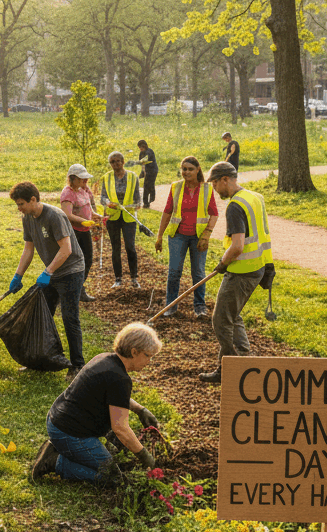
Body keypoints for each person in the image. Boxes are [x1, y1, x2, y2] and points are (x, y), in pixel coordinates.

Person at [31, 323, 161, 485]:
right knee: (112, 478)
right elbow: (120, 428)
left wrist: (139, 409)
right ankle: (54, 461)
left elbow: (114, 396)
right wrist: (144, 455)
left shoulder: (106, 359)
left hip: (57, 421)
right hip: (69, 433)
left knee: (111, 462)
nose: (150, 361)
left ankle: (60, 448)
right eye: (148, 355)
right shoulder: (119, 378)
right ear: (134, 352)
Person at [199, 162, 272, 383]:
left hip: (242, 271)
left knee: (221, 320)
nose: (214, 189)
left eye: (214, 183)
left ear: (225, 180)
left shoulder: (234, 206)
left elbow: (238, 246)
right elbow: (264, 233)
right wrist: (268, 266)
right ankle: (241, 358)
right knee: (233, 314)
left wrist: (222, 263)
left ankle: (235, 369)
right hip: (258, 267)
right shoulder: (255, 197)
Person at [9, 181, 87, 380]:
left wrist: (48, 271)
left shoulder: (54, 216)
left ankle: (77, 365)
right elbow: (28, 249)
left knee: (70, 318)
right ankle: (39, 360)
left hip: (71, 271)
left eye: (21, 204)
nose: (19, 208)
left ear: (33, 199)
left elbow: (66, 249)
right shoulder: (27, 218)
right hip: (52, 272)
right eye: (17, 204)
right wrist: (18, 275)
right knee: (42, 315)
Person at [154, 156, 219, 318]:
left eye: (190, 169)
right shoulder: (176, 187)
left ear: (198, 170)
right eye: (184, 169)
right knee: (174, 272)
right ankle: (171, 305)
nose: (186, 172)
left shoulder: (206, 188)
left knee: (198, 273)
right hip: (178, 236)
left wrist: (207, 234)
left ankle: (199, 307)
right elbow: (168, 211)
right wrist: (159, 236)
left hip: (198, 238)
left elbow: (214, 214)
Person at [100, 151, 142, 289]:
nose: (115, 164)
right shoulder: (106, 177)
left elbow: (138, 200)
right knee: (115, 248)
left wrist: (133, 206)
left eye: (117, 161)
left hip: (128, 217)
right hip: (113, 217)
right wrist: (107, 203)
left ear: (123, 161)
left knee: (130, 246)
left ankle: (134, 278)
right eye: (112, 162)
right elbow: (103, 197)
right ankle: (118, 278)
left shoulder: (132, 176)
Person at [60, 164, 99, 302]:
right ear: (72, 178)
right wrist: (83, 221)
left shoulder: (84, 190)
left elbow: (88, 207)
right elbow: (66, 214)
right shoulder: (68, 193)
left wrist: (95, 216)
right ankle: (68, 291)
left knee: (87, 260)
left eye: (86, 178)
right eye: (82, 178)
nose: (85, 180)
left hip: (85, 231)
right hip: (73, 232)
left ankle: (79, 289)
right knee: (74, 262)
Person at [136, 140, 159, 208]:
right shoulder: (141, 153)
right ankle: (147, 202)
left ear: (145, 146)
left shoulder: (149, 151)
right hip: (146, 171)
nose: (141, 148)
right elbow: (142, 164)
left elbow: (145, 160)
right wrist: (142, 172)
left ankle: (149, 200)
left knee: (149, 185)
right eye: (139, 147)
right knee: (146, 186)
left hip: (152, 170)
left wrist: (138, 162)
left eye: (142, 147)